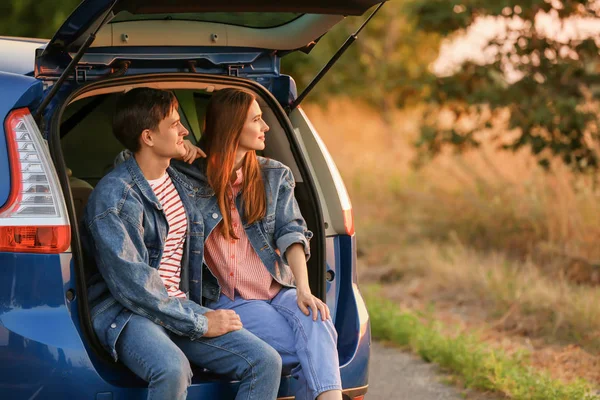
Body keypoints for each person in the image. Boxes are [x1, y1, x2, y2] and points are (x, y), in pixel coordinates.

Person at [81, 87, 282, 400]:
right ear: (148, 137)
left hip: (178, 304)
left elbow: (223, 171)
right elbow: (134, 288)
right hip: (128, 312)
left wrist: (185, 152)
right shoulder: (114, 199)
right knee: (173, 369)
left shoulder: (179, 180)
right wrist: (199, 323)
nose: (186, 131)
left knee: (265, 361)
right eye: (175, 125)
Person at [175, 88, 343, 400]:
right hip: (231, 300)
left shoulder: (274, 174)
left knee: (317, 319)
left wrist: (303, 290)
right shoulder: (187, 175)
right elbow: (128, 164)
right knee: (310, 348)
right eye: (257, 119)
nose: (265, 127)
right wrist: (176, 150)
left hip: (278, 289)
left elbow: (291, 232)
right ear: (232, 127)